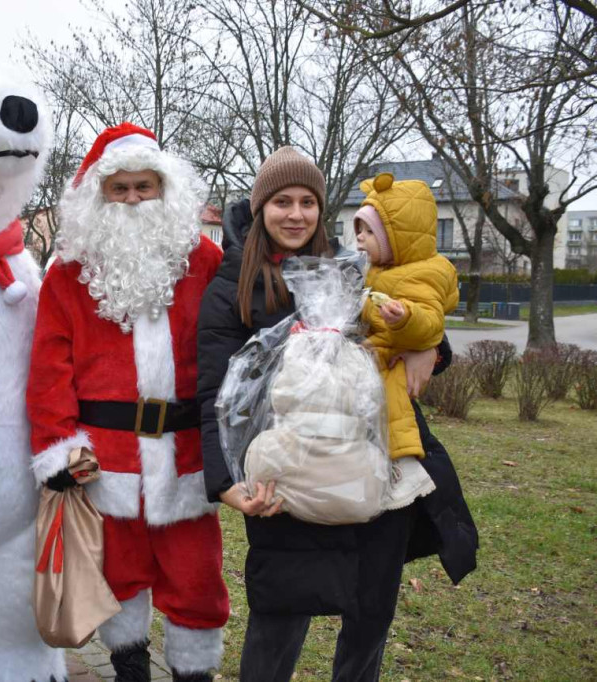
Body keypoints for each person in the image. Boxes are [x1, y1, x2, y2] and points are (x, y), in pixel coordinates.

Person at [197, 147, 477, 682]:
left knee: (369, 618)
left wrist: (431, 347)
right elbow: (214, 392)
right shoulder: (230, 287)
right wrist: (224, 482)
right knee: (280, 619)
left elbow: (411, 320)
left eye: (308, 202)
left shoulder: (354, 269)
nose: (296, 214)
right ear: (261, 209)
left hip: (374, 469)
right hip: (289, 475)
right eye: (282, 201)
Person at [27, 123, 230, 682]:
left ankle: (195, 674)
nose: (135, 198)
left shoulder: (205, 262)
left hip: (187, 457)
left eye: (146, 186)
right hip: (105, 460)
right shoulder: (68, 277)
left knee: (196, 578)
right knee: (120, 575)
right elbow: (49, 371)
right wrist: (57, 448)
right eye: (121, 189)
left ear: (166, 191)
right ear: (100, 196)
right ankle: (129, 670)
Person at [355, 172, 459, 462]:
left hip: (390, 354)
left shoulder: (417, 275)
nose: (359, 237)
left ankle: (401, 453)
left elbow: (430, 324)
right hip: (377, 346)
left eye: (369, 231)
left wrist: (405, 319)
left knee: (392, 403)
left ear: (396, 238)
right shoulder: (381, 269)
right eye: (359, 229)